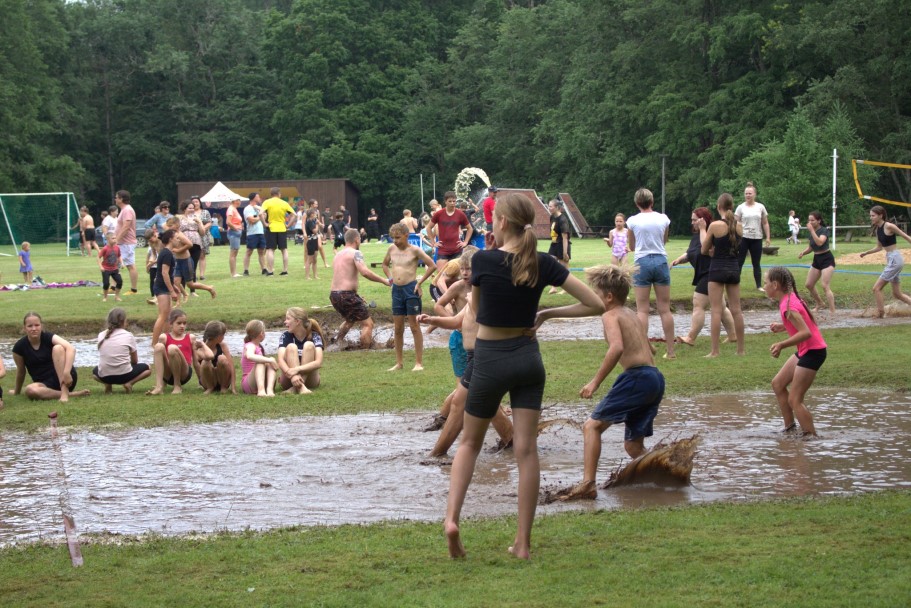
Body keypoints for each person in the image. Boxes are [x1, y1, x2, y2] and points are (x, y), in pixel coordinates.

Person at [443, 192, 604, 560]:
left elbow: (478, 310)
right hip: (528, 359)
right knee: (527, 451)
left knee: (469, 444)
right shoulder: (543, 262)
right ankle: (523, 543)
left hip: (489, 360)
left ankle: (452, 521)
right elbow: (595, 304)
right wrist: (546, 314)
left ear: (501, 222)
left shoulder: (483, 260)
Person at [560, 265, 665, 500]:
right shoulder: (630, 314)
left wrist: (594, 382)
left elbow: (616, 348)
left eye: (595, 294)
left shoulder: (609, 315)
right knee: (633, 447)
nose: (592, 298)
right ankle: (664, 475)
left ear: (608, 297)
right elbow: (651, 349)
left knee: (591, 426)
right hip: (655, 378)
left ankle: (588, 484)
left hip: (637, 377)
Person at [419, 249, 513, 456]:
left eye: (469, 269)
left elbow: (491, 318)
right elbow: (456, 321)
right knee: (484, 403)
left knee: (459, 403)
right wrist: (431, 320)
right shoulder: (472, 295)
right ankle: (512, 440)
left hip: (483, 355)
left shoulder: (484, 294)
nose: (464, 273)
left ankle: (437, 453)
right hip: (474, 355)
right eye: (462, 269)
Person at [766, 267, 826, 437]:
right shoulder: (789, 299)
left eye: (765, 282)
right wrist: (783, 326)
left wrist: (781, 344)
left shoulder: (788, 305)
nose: (764, 286)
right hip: (806, 350)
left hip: (813, 352)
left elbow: (806, 332)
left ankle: (811, 437)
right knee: (778, 384)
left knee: (794, 399)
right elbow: (804, 324)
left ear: (775, 285)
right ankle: (790, 429)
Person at [671, 207, 735, 346]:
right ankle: (733, 336)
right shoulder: (696, 235)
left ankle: (691, 337)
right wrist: (678, 260)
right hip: (705, 274)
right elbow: (691, 252)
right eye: (692, 220)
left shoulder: (710, 232)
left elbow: (706, 248)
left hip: (710, 273)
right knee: (722, 307)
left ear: (702, 220)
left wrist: (702, 229)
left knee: (698, 304)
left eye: (695, 220)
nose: (692, 222)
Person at [626, 188, 676, 359]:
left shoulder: (632, 221)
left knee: (642, 310)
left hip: (642, 262)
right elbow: (664, 240)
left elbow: (632, 246)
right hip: (661, 260)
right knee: (665, 309)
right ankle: (671, 351)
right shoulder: (663, 218)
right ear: (652, 202)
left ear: (637, 203)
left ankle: (644, 351)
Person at [382, 222, 437, 371]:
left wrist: (419, 283)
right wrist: (390, 279)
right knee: (398, 328)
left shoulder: (415, 250)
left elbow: (432, 265)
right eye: (393, 238)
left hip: (411, 290)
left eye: (398, 237)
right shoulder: (391, 248)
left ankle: (418, 363)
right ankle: (399, 363)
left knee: (414, 326)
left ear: (406, 236)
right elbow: (385, 264)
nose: (395, 241)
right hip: (396, 291)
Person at [330, 228, 392, 349]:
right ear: (357, 239)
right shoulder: (355, 253)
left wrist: (355, 296)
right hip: (346, 294)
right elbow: (365, 272)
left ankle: (337, 343)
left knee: (350, 319)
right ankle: (364, 351)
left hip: (334, 295)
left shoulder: (338, 255)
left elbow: (343, 277)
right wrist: (384, 281)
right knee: (368, 324)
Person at [10, 312, 90, 403]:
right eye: (30, 326)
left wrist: (67, 372)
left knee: (58, 348)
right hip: (44, 384)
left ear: (41, 326)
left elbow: (71, 349)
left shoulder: (49, 337)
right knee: (30, 390)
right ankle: (73, 394)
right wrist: (16, 392)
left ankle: (65, 393)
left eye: (37, 325)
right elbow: (21, 371)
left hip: (66, 378)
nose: (34, 329)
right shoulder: (19, 347)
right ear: (24, 328)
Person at [702, 193, 746, 357]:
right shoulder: (739, 226)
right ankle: (740, 350)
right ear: (732, 207)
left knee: (716, 310)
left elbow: (704, 249)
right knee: (737, 310)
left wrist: (711, 249)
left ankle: (715, 351)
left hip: (717, 269)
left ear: (718, 207)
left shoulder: (715, 226)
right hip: (734, 269)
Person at [859, 205, 911, 317]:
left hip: (895, 259)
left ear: (880, 215)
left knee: (876, 288)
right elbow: (879, 247)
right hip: (891, 259)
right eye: (870, 216)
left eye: (873, 215)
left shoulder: (889, 226)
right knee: (897, 294)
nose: (871, 218)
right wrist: (866, 253)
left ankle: (880, 314)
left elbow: (905, 236)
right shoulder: (878, 229)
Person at [147, 308, 211, 395]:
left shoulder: (190, 337)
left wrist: (202, 382)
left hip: (184, 373)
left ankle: (177, 385)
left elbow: (196, 362)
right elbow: (161, 359)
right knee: (158, 346)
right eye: (179, 323)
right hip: (168, 374)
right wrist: (163, 382)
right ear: (171, 324)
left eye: (184, 323)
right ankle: (159, 387)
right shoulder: (164, 337)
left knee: (172, 348)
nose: (182, 326)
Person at [92, 307, 151, 394]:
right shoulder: (128, 335)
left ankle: (108, 384)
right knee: (148, 368)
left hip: (105, 376)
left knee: (94, 373)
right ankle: (129, 383)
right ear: (123, 321)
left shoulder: (101, 335)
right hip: (125, 376)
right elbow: (135, 361)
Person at [166, 216, 216, 300]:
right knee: (176, 282)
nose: (169, 228)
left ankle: (209, 288)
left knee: (190, 284)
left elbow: (190, 244)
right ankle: (180, 300)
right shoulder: (173, 234)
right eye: (168, 226)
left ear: (177, 225)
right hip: (178, 261)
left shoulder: (180, 235)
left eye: (171, 226)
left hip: (186, 261)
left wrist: (178, 250)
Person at [277, 307, 324, 394]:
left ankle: (296, 388)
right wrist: (293, 375)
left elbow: (318, 362)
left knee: (309, 345)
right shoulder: (285, 336)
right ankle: (301, 388)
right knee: (291, 347)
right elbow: (280, 360)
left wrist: (297, 369)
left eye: (288, 319)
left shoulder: (314, 336)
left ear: (297, 321)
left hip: (310, 381)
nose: (285, 322)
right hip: (289, 379)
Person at [734, 182, 771, 291]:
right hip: (743, 238)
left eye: (750, 193)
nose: (748, 195)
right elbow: (735, 223)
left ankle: (759, 286)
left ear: (754, 194)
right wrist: (735, 237)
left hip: (757, 238)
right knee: (739, 262)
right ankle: (735, 284)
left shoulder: (760, 207)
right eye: (746, 193)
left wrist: (768, 237)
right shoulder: (740, 207)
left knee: (756, 263)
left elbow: (765, 223)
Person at [798, 211, 836, 316]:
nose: (810, 222)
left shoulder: (824, 230)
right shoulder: (812, 232)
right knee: (809, 284)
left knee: (825, 285)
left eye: (812, 220)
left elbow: (819, 242)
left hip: (827, 259)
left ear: (819, 221)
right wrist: (803, 253)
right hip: (817, 259)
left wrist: (811, 231)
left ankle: (832, 311)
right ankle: (820, 303)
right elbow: (811, 247)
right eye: (809, 220)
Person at [428, 191, 473, 273]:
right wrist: (433, 242)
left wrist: (465, 242)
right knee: (441, 274)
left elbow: (470, 228)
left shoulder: (460, 214)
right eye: (450, 201)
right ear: (445, 202)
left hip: (456, 249)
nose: (452, 203)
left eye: (454, 201)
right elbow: (428, 228)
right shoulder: (439, 214)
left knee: (457, 275)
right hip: (443, 249)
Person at [151, 229, 180, 347]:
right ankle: (154, 344)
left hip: (164, 287)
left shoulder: (167, 252)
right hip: (161, 288)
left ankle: (166, 341)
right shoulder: (167, 253)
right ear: (171, 239)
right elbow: (164, 273)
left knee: (168, 316)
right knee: (163, 316)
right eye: (177, 238)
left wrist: (173, 286)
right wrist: (172, 291)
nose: (179, 240)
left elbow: (167, 274)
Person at [261, 187, 294, 275]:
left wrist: (265, 223)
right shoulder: (284, 203)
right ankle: (285, 270)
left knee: (270, 249)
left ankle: (270, 271)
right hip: (282, 228)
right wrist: (288, 225)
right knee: (284, 249)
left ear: (271, 194)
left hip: (271, 227)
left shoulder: (267, 202)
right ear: (279, 194)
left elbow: (260, 213)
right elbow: (294, 215)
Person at [197, 320, 236, 395]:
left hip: (221, 379)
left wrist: (233, 388)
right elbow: (209, 356)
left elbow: (231, 366)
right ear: (218, 336)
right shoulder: (200, 348)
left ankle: (223, 387)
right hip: (207, 381)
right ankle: (210, 388)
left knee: (222, 358)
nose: (224, 337)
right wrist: (204, 345)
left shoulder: (222, 345)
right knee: (206, 361)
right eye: (223, 335)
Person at [241, 319, 278, 397]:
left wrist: (270, 361)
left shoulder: (258, 347)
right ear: (261, 333)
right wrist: (270, 360)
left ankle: (270, 390)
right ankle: (261, 391)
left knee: (268, 362)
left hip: (258, 381)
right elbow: (250, 355)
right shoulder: (250, 345)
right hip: (249, 383)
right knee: (261, 362)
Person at [114, 190, 139, 294]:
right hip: (126, 243)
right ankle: (133, 289)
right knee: (130, 265)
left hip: (126, 243)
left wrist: (116, 240)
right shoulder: (124, 210)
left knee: (115, 264)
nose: (115, 199)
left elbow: (126, 226)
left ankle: (114, 287)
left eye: (116, 197)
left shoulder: (127, 210)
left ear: (121, 199)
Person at [546, 199, 572, 295]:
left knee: (563, 268)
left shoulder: (562, 219)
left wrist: (565, 253)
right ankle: (554, 287)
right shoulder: (552, 217)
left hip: (562, 244)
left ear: (557, 207)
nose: (549, 208)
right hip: (554, 244)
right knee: (551, 263)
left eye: (551, 206)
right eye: (548, 206)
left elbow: (565, 237)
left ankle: (567, 288)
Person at [243, 193, 267, 276]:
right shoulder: (248, 208)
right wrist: (260, 216)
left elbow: (265, 216)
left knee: (261, 251)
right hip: (252, 233)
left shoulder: (258, 208)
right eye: (258, 196)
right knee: (249, 251)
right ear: (253, 198)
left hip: (260, 232)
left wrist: (261, 213)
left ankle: (264, 269)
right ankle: (246, 270)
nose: (259, 198)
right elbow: (252, 220)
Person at [98, 232, 123, 302]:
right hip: (105, 269)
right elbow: (98, 257)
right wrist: (101, 266)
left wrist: (122, 263)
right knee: (106, 283)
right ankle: (105, 297)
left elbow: (119, 256)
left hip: (115, 268)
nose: (115, 240)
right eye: (113, 238)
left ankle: (117, 296)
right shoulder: (105, 248)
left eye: (115, 238)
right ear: (108, 239)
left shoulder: (117, 247)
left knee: (120, 281)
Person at [225, 197, 244, 277]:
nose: (240, 202)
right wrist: (235, 228)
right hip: (233, 232)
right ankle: (233, 273)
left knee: (235, 252)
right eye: (239, 200)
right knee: (233, 252)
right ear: (235, 201)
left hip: (236, 232)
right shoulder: (231, 209)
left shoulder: (234, 209)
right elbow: (228, 222)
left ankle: (234, 272)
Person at [144, 229, 161, 305]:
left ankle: (157, 299)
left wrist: (151, 264)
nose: (150, 241)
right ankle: (156, 298)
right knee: (156, 280)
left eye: (150, 239)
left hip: (168, 261)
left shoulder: (161, 241)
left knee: (159, 280)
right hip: (161, 261)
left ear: (154, 234)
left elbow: (163, 255)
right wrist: (150, 262)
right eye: (148, 240)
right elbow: (154, 254)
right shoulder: (152, 243)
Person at [304, 208, 321, 280]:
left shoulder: (313, 221)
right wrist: (317, 224)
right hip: (311, 241)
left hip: (315, 240)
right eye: (315, 213)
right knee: (310, 259)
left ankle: (315, 275)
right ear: (311, 214)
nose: (316, 215)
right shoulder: (309, 222)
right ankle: (307, 276)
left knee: (315, 259)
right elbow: (315, 231)